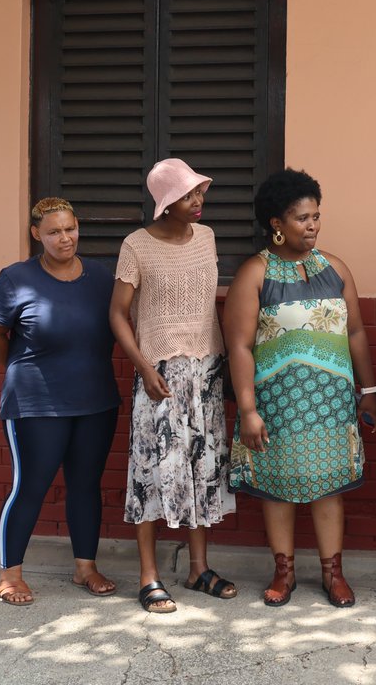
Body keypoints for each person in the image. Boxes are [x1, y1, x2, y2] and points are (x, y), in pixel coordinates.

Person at [226, 168, 376, 609]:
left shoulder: (335, 269)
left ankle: (334, 574)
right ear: (276, 223)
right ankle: (284, 572)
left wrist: (371, 389)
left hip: (331, 402)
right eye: (301, 218)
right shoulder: (256, 274)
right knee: (279, 488)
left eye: (316, 216)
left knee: (328, 488)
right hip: (277, 403)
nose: (312, 225)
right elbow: (239, 347)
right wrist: (249, 410)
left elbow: (355, 333)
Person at [109, 158, 237, 614]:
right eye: (187, 195)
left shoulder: (207, 238)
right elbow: (117, 314)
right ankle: (148, 575)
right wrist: (143, 366)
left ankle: (199, 568)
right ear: (166, 204)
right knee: (150, 470)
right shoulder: (135, 246)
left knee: (202, 469)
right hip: (159, 373)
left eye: (200, 192)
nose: (198, 201)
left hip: (206, 370)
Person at [0, 197, 121, 606]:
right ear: (36, 234)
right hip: (35, 402)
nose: (65, 238)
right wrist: (19, 366)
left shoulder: (99, 276)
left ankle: (85, 567)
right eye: (54, 232)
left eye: (71, 229)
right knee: (31, 485)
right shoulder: (16, 278)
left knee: (85, 485)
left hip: (96, 399)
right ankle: (10, 574)